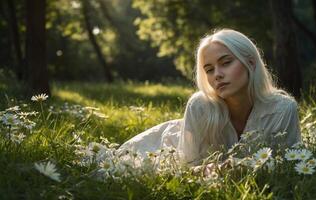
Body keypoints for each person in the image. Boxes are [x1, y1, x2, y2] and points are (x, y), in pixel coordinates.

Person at [117, 29, 301, 166]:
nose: (217, 75)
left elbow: (288, 166)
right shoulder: (200, 107)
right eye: (209, 70)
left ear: (251, 63)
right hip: (171, 146)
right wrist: (208, 171)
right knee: (121, 165)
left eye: (226, 63)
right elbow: (187, 167)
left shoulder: (283, 110)